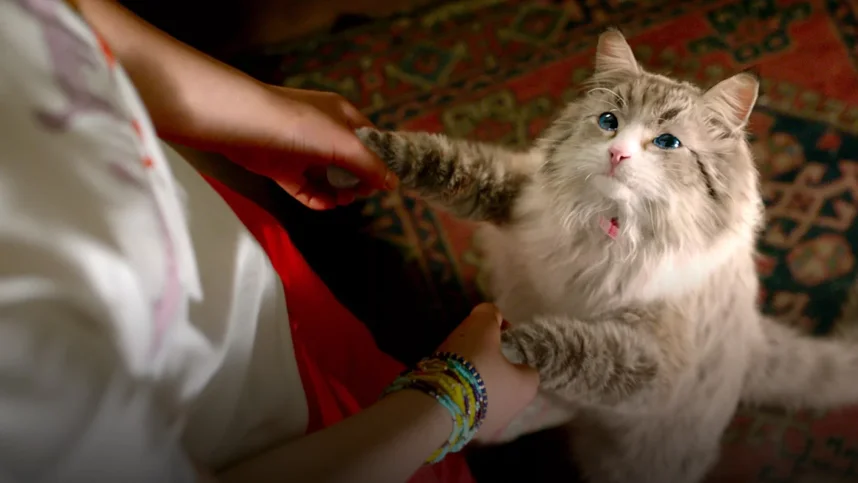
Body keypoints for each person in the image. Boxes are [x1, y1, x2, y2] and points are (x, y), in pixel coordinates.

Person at [0, 1, 540, 482]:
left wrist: (260, 114)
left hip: (228, 263)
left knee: (351, 362)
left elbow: (59, 15)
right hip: (273, 439)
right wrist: (453, 398)